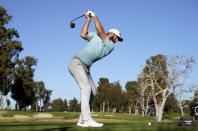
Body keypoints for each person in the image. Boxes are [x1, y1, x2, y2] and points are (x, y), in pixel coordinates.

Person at [68, 11, 123, 127]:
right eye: (117, 37)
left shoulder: (110, 46)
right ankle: (86, 120)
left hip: (86, 69)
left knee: (93, 92)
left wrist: (94, 16)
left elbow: (101, 31)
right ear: (112, 34)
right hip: (76, 63)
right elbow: (83, 34)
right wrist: (88, 20)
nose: (117, 40)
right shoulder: (95, 36)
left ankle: (81, 119)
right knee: (86, 89)